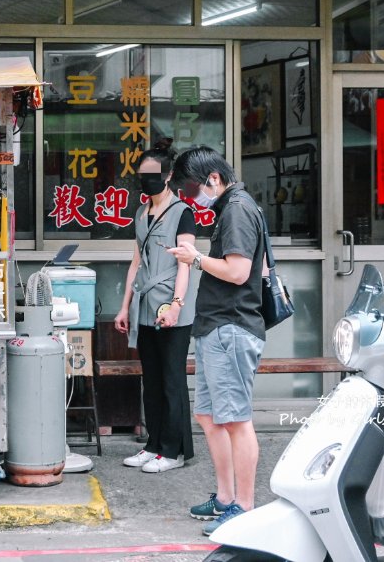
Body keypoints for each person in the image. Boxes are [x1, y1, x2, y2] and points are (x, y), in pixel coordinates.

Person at [167, 146, 264, 535]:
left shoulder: (238, 209)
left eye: (192, 189)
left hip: (230, 327)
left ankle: (244, 506)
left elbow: (238, 271)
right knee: (209, 416)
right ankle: (225, 498)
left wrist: (194, 259)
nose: (192, 199)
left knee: (236, 421)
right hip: (216, 327)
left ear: (213, 179)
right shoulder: (233, 206)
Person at [114, 140, 195, 473]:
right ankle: (153, 445)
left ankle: (174, 451)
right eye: (142, 174)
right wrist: (124, 307)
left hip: (171, 309)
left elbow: (186, 264)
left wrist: (177, 304)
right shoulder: (140, 213)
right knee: (152, 378)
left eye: (153, 174)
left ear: (168, 174)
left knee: (172, 379)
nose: (147, 180)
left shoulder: (183, 213)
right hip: (145, 307)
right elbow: (136, 263)